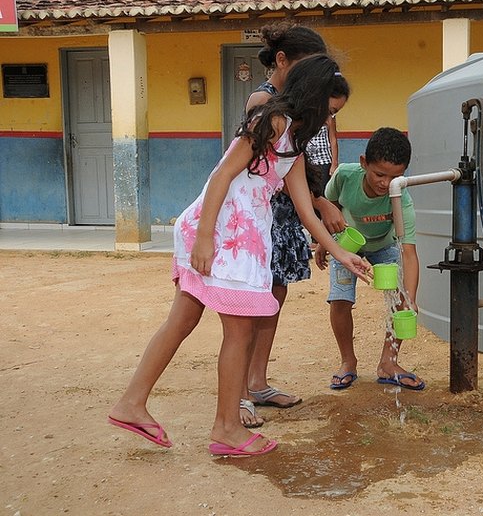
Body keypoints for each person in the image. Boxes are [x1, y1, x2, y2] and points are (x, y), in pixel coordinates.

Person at [107, 55, 369, 457]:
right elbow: (222, 175)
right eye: (330, 112)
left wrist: (339, 254)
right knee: (240, 330)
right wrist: (205, 240)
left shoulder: (293, 144)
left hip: (240, 234)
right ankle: (227, 428)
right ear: (315, 98)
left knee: (184, 318)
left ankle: (131, 403)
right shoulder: (272, 122)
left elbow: (305, 210)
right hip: (225, 234)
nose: (329, 121)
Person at [239, 23, 349, 428]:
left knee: (274, 298)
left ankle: (257, 382)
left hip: (286, 214)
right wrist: (320, 203)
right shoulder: (265, 104)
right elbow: (266, 170)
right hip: (261, 215)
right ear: (283, 61)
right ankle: (238, 395)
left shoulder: (301, 110)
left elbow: (297, 168)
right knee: (252, 305)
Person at [314, 127, 425, 391]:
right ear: (364, 163)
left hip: (384, 246)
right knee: (340, 298)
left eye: (396, 177)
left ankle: (389, 362)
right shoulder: (345, 177)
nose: (386, 183)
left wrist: (411, 299)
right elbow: (329, 205)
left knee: (402, 299)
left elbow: (408, 252)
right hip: (348, 244)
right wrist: (324, 241)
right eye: (379, 174)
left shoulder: (401, 197)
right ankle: (348, 362)